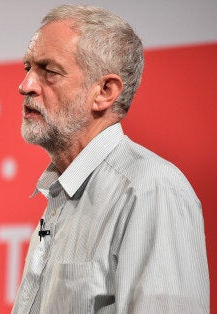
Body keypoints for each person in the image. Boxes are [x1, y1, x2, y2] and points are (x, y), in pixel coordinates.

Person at [12, 4, 209, 314]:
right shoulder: (60, 196)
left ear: (104, 91)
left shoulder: (151, 190)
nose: (25, 86)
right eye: (28, 69)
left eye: (49, 71)